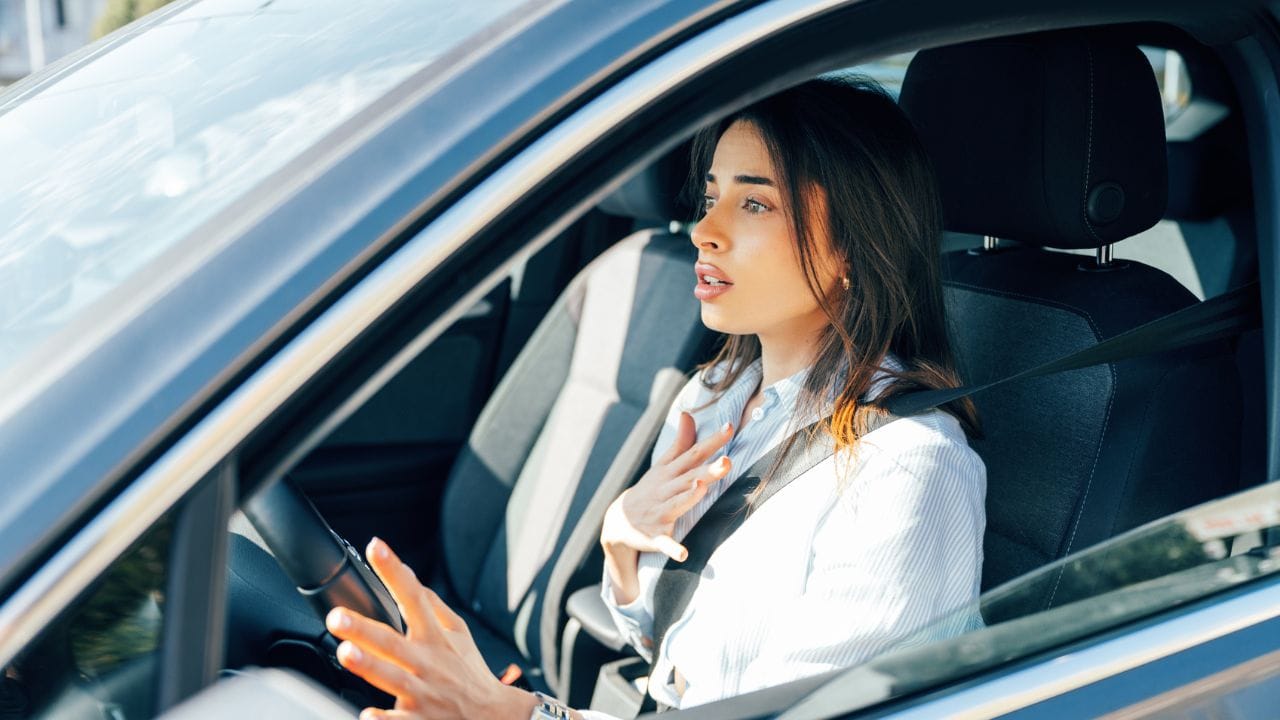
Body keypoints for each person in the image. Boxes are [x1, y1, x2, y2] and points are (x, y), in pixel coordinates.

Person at [323, 76, 987, 720]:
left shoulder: (906, 470)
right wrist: (622, 547)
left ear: (852, 245)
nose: (704, 229)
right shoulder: (720, 396)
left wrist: (519, 716)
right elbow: (672, 656)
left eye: (754, 204)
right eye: (710, 196)